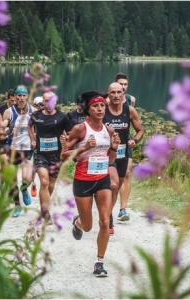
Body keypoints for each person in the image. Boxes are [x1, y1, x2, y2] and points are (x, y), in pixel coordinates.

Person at [61, 91, 121, 277]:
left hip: (102, 179)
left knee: (104, 222)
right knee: (88, 226)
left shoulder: (109, 130)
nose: (100, 109)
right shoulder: (80, 129)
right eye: (96, 106)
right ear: (89, 109)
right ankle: (78, 223)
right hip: (83, 181)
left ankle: (99, 262)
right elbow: (63, 155)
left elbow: (110, 159)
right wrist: (84, 147)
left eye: (102, 105)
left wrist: (113, 147)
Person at [104, 82, 144, 234]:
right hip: (106, 156)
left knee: (116, 187)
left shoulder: (129, 110)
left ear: (123, 94)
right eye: (112, 92)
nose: (116, 96)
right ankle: (106, 216)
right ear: (108, 94)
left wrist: (135, 140)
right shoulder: (102, 110)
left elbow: (140, 130)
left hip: (122, 155)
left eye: (119, 92)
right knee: (112, 185)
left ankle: (108, 214)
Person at [29, 91, 73, 222]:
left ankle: (43, 209)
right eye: (46, 100)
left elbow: (70, 134)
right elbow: (29, 126)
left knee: (51, 184)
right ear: (43, 101)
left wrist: (66, 139)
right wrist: (33, 139)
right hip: (40, 153)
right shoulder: (36, 115)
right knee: (44, 181)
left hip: (56, 154)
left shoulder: (62, 117)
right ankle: (46, 214)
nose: (49, 103)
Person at [0, 85, 34, 217]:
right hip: (12, 149)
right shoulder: (9, 111)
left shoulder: (33, 110)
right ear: (16, 97)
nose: (21, 98)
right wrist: (5, 129)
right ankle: (17, 205)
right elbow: (2, 128)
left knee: (27, 177)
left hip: (27, 148)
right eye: (19, 95)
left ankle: (24, 189)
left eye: (24, 95)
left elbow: (37, 127)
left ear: (27, 96)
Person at [115, 73, 138, 226]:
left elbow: (130, 118)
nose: (123, 87)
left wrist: (133, 139)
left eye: (125, 85)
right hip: (110, 144)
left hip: (126, 141)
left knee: (127, 174)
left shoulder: (131, 100)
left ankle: (123, 209)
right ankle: (105, 205)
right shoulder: (107, 100)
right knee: (110, 177)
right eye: (120, 84)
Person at [0, 89, 17, 164]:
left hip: (14, 141)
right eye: (11, 101)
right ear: (7, 99)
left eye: (15, 100)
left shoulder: (20, 110)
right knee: (4, 164)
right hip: (1, 140)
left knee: (12, 166)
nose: (14, 103)